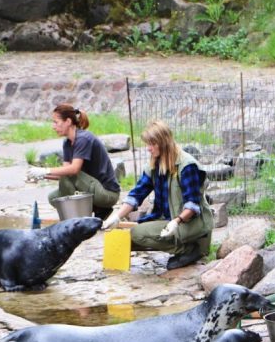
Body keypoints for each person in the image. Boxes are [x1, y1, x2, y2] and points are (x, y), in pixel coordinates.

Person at [102, 120, 213, 270]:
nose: (148, 148)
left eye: (152, 144)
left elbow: (192, 205)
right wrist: (117, 216)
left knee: (137, 234)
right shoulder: (155, 165)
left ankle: (191, 250)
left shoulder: (187, 166)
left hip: (191, 225)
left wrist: (177, 221)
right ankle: (182, 246)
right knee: (129, 239)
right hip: (168, 218)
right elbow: (136, 194)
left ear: (163, 143)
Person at [44, 103, 120, 220]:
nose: (53, 126)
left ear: (68, 122)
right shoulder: (67, 143)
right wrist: (42, 175)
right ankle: (93, 211)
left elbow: (73, 170)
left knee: (68, 175)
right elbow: (64, 175)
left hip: (107, 193)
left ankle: (79, 217)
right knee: (53, 198)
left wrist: (45, 170)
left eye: (56, 122)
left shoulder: (83, 139)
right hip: (91, 188)